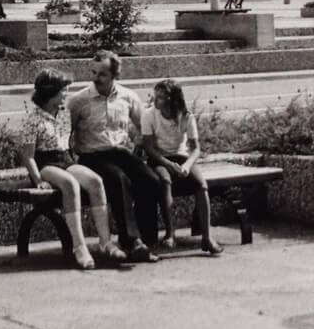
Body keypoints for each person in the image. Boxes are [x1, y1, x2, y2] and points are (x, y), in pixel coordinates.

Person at [19, 69, 128, 269]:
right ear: (50, 92)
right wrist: (38, 180)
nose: (66, 94)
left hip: (65, 159)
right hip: (46, 164)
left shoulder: (63, 114)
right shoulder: (32, 119)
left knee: (95, 181)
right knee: (70, 184)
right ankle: (79, 247)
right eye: (63, 90)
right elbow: (28, 156)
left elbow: (69, 144)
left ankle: (105, 242)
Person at [68, 50, 161, 262]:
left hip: (120, 153)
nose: (95, 78)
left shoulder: (128, 97)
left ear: (114, 75)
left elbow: (143, 127)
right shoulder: (79, 100)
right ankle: (131, 241)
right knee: (118, 180)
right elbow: (66, 133)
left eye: (102, 74)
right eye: (93, 72)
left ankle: (145, 243)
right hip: (93, 157)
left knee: (151, 180)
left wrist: (140, 145)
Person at [141, 79, 223, 254]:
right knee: (164, 180)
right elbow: (148, 148)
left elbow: (195, 149)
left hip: (181, 156)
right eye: (155, 96)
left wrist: (186, 165)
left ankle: (207, 237)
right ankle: (170, 233)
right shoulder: (149, 115)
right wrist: (168, 164)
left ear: (172, 99)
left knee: (201, 185)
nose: (156, 101)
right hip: (159, 159)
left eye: (161, 97)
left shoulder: (186, 117)